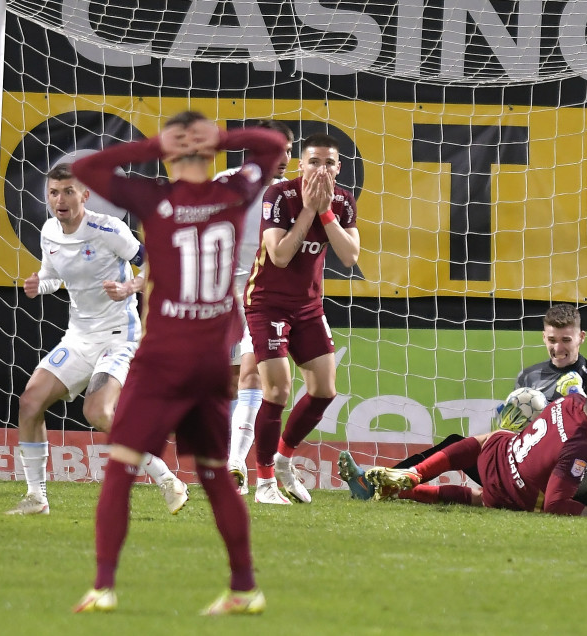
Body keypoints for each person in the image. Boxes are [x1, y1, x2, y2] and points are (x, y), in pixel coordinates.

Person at [69, 110, 289, 614]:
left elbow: (90, 168)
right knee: (213, 475)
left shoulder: (153, 197)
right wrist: (225, 136)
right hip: (212, 363)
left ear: (171, 152)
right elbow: (274, 144)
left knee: (122, 467)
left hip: (164, 361)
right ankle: (244, 588)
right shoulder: (235, 191)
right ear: (212, 151)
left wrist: (156, 143)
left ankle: (103, 586)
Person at [7, 163, 187, 516]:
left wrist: (128, 287)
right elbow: (51, 275)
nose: (60, 199)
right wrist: (37, 285)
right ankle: (36, 497)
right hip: (79, 338)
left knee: (98, 412)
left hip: (118, 336)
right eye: (54, 192)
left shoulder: (108, 228)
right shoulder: (48, 232)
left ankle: (167, 479)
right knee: (30, 403)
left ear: (84, 195)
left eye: (68, 191)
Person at [337, 303, 587, 504]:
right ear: (543, 337)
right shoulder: (530, 376)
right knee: (455, 442)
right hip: (520, 466)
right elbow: (514, 430)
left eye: (566, 340)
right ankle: (381, 483)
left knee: (480, 490)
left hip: (565, 477)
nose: (558, 348)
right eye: (552, 339)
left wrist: (576, 399)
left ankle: (388, 486)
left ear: (581, 338)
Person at [363, 375, 587, 517]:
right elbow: (554, 505)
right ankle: (404, 488)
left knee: (489, 438)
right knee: (481, 498)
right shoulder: (581, 446)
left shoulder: (572, 400)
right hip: (508, 493)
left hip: (497, 453)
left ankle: (408, 476)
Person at [245, 133, 360, 505]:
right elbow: (278, 256)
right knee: (277, 390)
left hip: (308, 306)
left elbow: (349, 255)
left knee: (325, 390)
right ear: (301, 165)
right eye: (314, 162)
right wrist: (309, 209)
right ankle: (263, 483)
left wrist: (325, 211)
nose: (321, 169)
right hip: (266, 302)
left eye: (329, 163)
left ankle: (282, 460)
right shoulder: (279, 196)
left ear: (339, 168)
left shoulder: (342, 201)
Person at [214, 120, 295, 496]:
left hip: (264, 294)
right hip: (221, 292)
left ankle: (235, 467)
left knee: (253, 375)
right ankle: (227, 458)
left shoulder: (293, 194)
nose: (283, 158)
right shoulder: (226, 183)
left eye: (288, 151)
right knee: (228, 381)